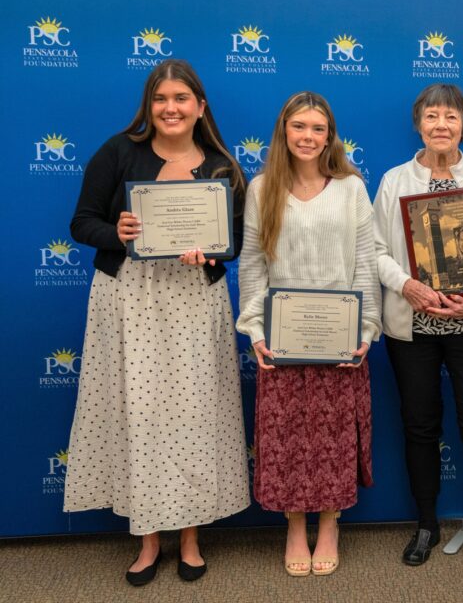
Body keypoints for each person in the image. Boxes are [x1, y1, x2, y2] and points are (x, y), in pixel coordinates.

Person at [64, 59, 249, 586]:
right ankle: (147, 540)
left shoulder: (222, 167)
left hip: (195, 302)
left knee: (194, 417)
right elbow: (82, 223)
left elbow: (233, 244)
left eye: (181, 99)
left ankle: (190, 539)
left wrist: (212, 254)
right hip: (130, 301)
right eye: (161, 98)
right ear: (150, 105)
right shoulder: (118, 151)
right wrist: (117, 232)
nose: (171, 108)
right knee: (138, 415)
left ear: (200, 107)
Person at [236, 91, 380, 578]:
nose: (308, 137)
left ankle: (330, 523)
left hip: (340, 338)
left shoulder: (352, 189)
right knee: (287, 437)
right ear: (284, 131)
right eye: (299, 127)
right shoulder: (261, 189)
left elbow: (364, 264)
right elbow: (253, 267)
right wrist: (255, 330)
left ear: (329, 136)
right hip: (283, 338)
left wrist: (365, 332)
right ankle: (295, 526)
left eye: (318, 129)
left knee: (334, 438)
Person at [374, 83, 463, 568]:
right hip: (412, 326)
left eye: (451, 118)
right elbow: (374, 251)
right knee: (419, 427)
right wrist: (407, 286)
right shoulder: (394, 181)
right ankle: (426, 525)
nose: (441, 125)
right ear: (418, 124)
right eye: (432, 116)